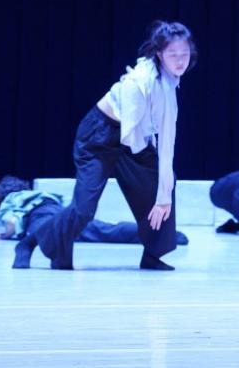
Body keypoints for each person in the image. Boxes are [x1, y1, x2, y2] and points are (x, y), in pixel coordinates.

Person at [15, 20, 196, 271]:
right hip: (100, 136)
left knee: (165, 182)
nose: (180, 60)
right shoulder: (140, 81)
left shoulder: (169, 80)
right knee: (83, 210)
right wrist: (159, 187)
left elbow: (166, 140)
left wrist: (163, 196)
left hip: (132, 138)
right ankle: (30, 241)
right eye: (173, 54)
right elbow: (140, 134)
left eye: (184, 54)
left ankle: (152, 255)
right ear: (159, 54)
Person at [0, 176, 188, 268]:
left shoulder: (11, 200)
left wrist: (3, 235)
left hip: (40, 217)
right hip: (65, 214)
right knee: (108, 230)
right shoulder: (41, 193)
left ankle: (27, 246)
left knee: (43, 231)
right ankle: (165, 234)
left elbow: (11, 222)